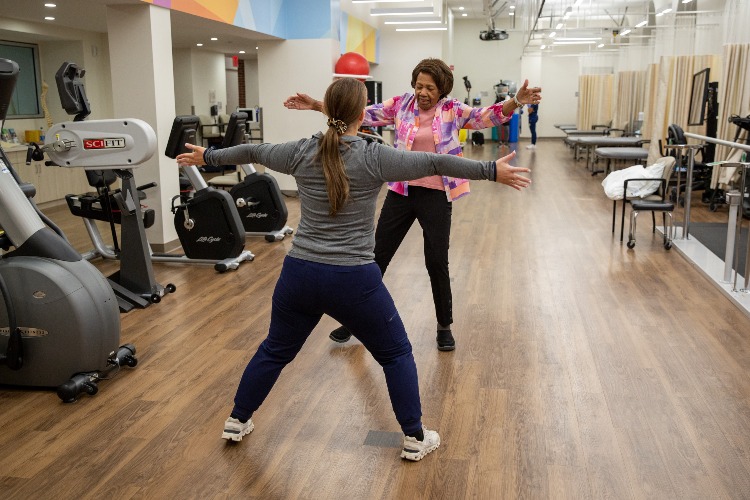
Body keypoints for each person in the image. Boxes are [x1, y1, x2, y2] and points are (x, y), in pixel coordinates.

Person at [176, 77, 531, 461]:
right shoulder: (374, 157)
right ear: (364, 115)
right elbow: (434, 162)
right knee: (396, 354)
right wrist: (490, 171)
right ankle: (414, 437)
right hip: (352, 280)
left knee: (275, 350)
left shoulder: (299, 151)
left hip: (299, 274)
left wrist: (207, 158)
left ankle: (237, 418)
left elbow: (254, 150)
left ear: (328, 111)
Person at [284, 58, 541, 352]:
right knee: (375, 257)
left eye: (430, 88)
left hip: (435, 196)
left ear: (442, 89)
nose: (422, 92)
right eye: (419, 86)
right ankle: (352, 321)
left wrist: (515, 102)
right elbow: (359, 115)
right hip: (401, 193)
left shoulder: (452, 110)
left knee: (436, 262)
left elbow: (486, 117)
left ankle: (444, 326)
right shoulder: (401, 105)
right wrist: (318, 104)